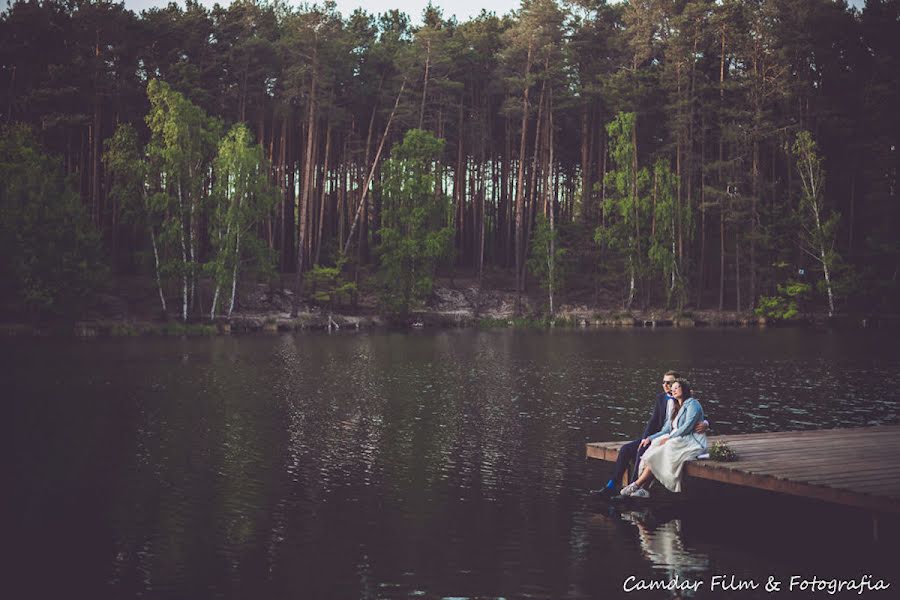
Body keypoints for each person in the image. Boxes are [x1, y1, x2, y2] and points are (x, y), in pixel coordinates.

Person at [596, 371, 707, 497]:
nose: (667, 386)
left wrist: (706, 423)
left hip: (676, 439)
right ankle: (612, 486)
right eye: (664, 382)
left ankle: (634, 487)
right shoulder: (664, 399)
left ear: (679, 383)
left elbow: (693, 421)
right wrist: (647, 438)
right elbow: (655, 422)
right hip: (661, 436)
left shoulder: (690, 403)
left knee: (648, 450)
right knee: (627, 449)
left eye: (670, 383)